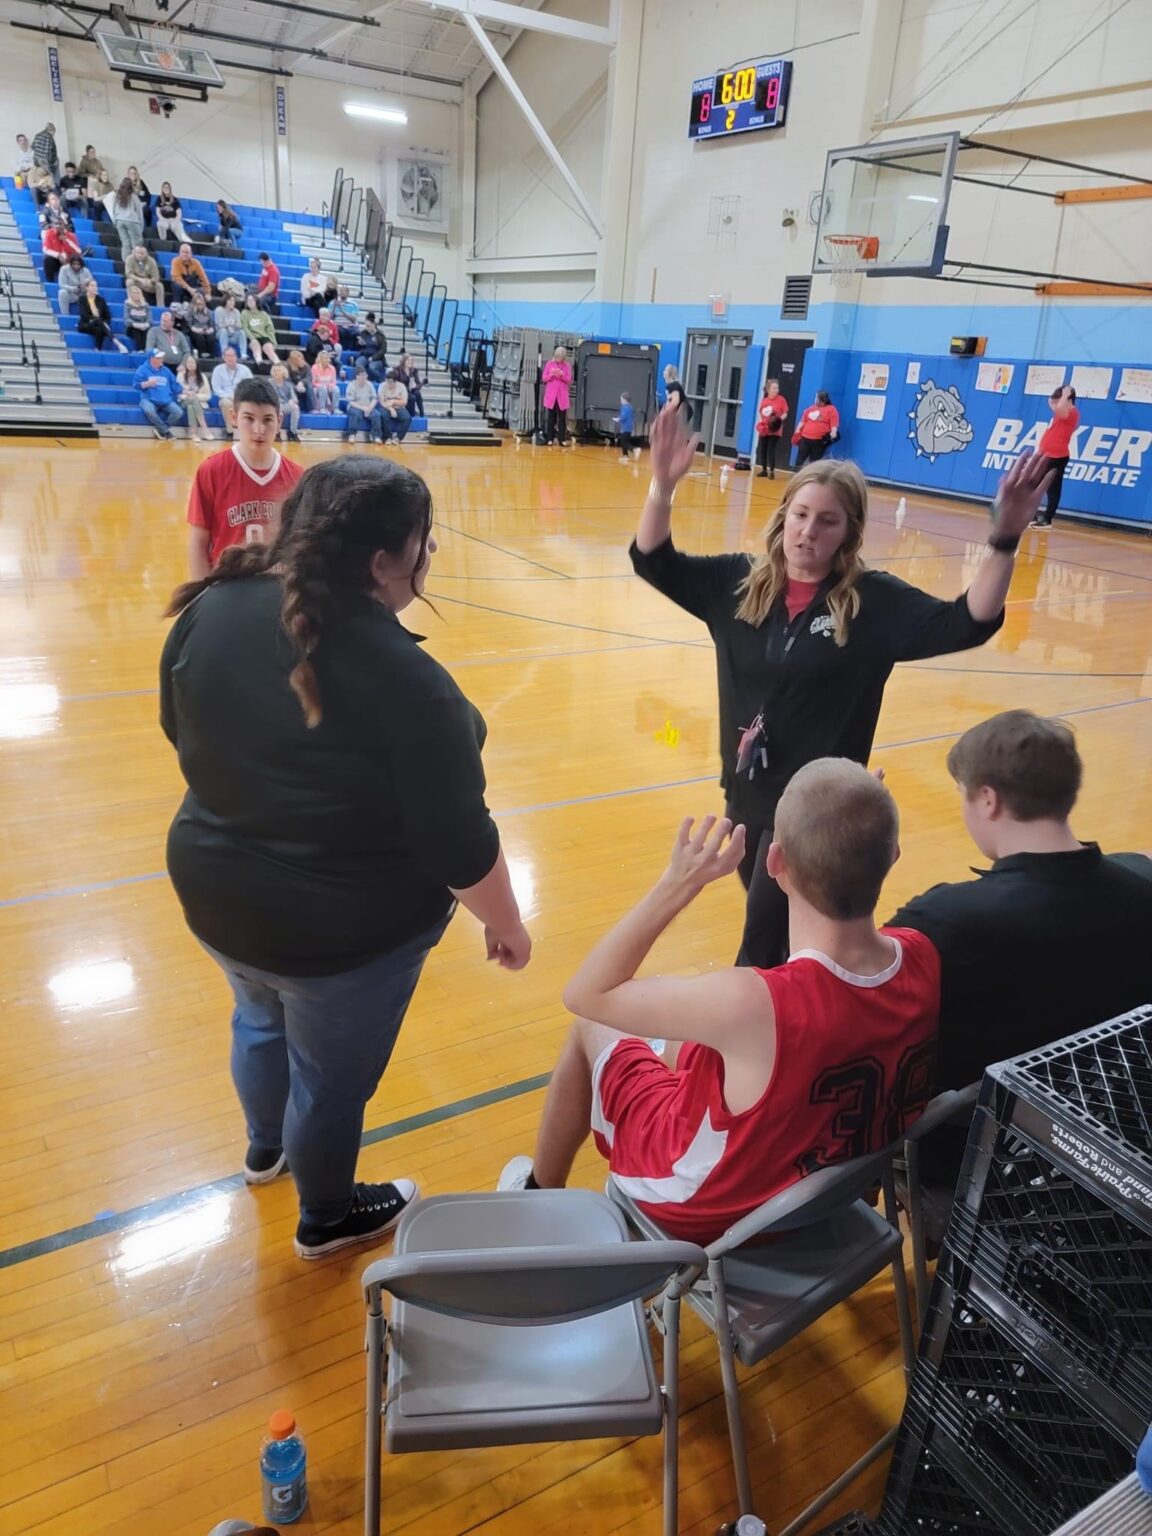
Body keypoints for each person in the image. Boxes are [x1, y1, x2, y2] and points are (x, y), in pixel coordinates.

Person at [161, 455, 530, 1258]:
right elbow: (461, 846)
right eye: (423, 541)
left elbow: (178, 727)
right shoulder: (413, 684)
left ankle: (266, 1150)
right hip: (340, 939)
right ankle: (326, 1216)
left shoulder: (212, 605)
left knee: (257, 1017)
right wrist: (508, 925)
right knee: (330, 1083)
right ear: (383, 562)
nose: (430, 554)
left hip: (216, 897)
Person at [630, 402, 1054, 969]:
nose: (808, 532)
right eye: (801, 514)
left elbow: (969, 620)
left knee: (760, 947)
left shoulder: (872, 604)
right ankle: (821, 988)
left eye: (827, 521)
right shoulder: (737, 584)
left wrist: (1004, 540)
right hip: (748, 796)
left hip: (820, 814)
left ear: (849, 532)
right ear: (784, 515)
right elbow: (653, 560)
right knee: (789, 930)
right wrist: (662, 486)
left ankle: (761, 1016)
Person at [498, 764, 938, 1244]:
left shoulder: (752, 1004)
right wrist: (858, 823)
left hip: (710, 1210)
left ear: (775, 862)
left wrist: (679, 882)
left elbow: (585, 995)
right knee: (684, 1046)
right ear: (893, 856)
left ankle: (538, 1195)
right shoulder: (922, 954)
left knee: (592, 1027)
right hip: (823, 1192)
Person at [887, 709, 1152, 1202]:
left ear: (988, 799)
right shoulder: (1141, 885)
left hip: (980, 1167)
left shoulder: (942, 922)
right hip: (1113, 1146)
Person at [186, 377, 302, 577]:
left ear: (279, 421)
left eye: (267, 420)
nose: (259, 430)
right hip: (227, 584)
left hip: (276, 586)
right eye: (249, 418)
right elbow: (198, 541)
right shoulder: (211, 471)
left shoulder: (297, 476)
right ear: (234, 417)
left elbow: (301, 545)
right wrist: (201, 591)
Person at [1031, 385, 1080, 529]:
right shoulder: (1061, 413)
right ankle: (1031, 515)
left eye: (1061, 399)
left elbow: (1058, 408)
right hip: (1046, 454)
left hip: (1057, 457)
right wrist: (1057, 397)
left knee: (1052, 490)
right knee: (1034, 485)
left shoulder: (1072, 413)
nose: (1057, 402)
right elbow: (1052, 402)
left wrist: (1065, 394)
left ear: (1068, 400)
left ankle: (1047, 519)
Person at [136, 348, 185, 438]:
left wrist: (184, 391)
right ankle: (166, 431)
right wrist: (147, 383)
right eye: (159, 358)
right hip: (148, 399)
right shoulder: (142, 369)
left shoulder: (166, 371)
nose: (162, 359)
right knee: (149, 410)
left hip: (166, 401)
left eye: (162, 357)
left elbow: (174, 384)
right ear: (152, 359)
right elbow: (136, 385)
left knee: (178, 412)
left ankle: (161, 429)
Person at [211, 347, 254, 438]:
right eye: (228, 356)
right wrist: (229, 396)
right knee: (226, 403)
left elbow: (250, 386)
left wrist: (239, 396)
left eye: (232, 355)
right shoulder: (218, 370)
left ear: (236, 357)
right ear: (224, 358)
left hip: (242, 397)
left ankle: (247, 433)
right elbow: (216, 389)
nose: (230, 358)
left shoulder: (245, 369)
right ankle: (229, 431)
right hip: (225, 398)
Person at [77, 279, 128, 353]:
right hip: (85, 324)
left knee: (100, 329)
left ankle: (97, 349)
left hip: (99, 325)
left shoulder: (101, 300)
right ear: (87, 287)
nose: (95, 288)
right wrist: (98, 321)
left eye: (96, 286)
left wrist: (104, 323)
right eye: (92, 286)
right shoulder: (82, 299)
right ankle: (117, 343)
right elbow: (84, 316)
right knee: (99, 321)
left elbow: (108, 316)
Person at [793, 391, 840, 467]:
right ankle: (797, 471)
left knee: (814, 461)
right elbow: (802, 421)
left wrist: (833, 433)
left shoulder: (831, 409)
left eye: (816, 397)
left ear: (822, 399)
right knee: (800, 458)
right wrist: (797, 431)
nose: (815, 399)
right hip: (805, 438)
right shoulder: (810, 408)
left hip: (819, 440)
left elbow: (834, 425)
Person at [755, 378, 789, 479]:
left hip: (775, 429)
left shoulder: (781, 400)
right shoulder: (764, 401)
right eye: (774, 388)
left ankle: (772, 471)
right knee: (763, 449)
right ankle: (764, 470)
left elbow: (785, 413)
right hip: (765, 428)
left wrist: (779, 419)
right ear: (768, 389)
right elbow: (762, 413)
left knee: (771, 449)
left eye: (777, 388)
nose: (776, 390)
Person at [105, 177, 145, 262]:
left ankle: (126, 263)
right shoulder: (133, 197)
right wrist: (141, 225)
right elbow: (139, 211)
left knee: (125, 244)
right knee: (136, 244)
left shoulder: (116, 196)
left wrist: (115, 221)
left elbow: (113, 209)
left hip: (119, 221)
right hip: (132, 221)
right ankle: (136, 263)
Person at [176, 354, 213, 443]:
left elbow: (207, 395)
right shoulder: (181, 375)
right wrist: (187, 395)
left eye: (192, 362)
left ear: (197, 364)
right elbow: (177, 392)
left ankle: (194, 434)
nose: (189, 364)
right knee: (192, 400)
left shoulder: (202, 377)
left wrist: (196, 396)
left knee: (191, 406)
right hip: (183, 402)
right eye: (188, 362)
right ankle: (204, 428)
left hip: (198, 403)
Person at [541, 346, 572, 446]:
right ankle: (550, 438)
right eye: (557, 357)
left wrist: (562, 375)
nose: (559, 359)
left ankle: (562, 439)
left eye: (561, 357)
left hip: (562, 395)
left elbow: (569, 380)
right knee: (551, 417)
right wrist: (552, 375)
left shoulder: (567, 366)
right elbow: (544, 378)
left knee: (562, 418)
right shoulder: (549, 364)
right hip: (551, 395)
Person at [344, 365, 383, 443]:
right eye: (362, 375)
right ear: (357, 376)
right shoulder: (351, 385)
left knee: (376, 415)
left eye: (365, 375)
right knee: (356, 414)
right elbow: (351, 402)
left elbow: (374, 398)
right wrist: (363, 408)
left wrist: (370, 408)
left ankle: (376, 436)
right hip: (356, 406)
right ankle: (352, 434)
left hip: (367, 406)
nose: (364, 377)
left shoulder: (369, 384)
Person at [241, 294, 280, 366]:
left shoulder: (263, 314)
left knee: (268, 348)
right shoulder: (245, 313)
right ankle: (260, 363)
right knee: (256, 346)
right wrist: (252, 338)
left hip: (264, 337)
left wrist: (273, 340)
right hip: (252, 337)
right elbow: (244, 327)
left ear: (256, 301)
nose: (250, 302)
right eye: (248, 301)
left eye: (252, 300)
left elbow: (270, 328)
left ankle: (278, 364)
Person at [41, 216, 83, 283]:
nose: (58, 226)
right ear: (53, 225)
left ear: (64, 225)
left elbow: (79, 252)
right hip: (56, 261)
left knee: (78, 261)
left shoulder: (71, 236)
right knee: (48, 259)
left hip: (68, 262)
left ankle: (78, 282)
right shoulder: (49, 233)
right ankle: (50, 281)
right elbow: (45, 249)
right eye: (56, 224)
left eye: (60, 224)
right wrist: (58, 255)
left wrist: (67, 240)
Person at [269, 362, 301, 443]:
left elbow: (295, 398)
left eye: (278, 370)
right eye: (274, 370)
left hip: (285, 404)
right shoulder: (269, 383)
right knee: (279, 412)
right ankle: (276, 433)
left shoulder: (288, 385)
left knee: (295, 408)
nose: (276, 372)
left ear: (283, 373)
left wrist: (292, 401)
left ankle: (292, 432)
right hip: (274, 404)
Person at [379, 371, 411, 443]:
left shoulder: (401, 386)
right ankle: (387, 437)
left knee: (407, 418)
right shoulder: (382, 386)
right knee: (383, 415)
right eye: (387, 381)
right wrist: (391, 409)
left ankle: (398, 438)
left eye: (390, 382)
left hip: (399, 407)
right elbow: (382, 402)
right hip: (386, 407)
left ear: (395, 382)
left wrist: (393, 401)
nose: (388, 383)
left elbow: (404, 402)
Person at [77, 144, 110, 213]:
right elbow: (80, 173)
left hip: (98, 179)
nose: (93, 153)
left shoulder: (97, 161)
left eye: (94, 152)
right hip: (88, 181)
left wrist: (102, 174)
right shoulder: (84, 161)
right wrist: (91, 175)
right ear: (87, 152)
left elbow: (102, 170)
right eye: (91, 152)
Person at [185, 292, 218, 359]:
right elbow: (189, 325)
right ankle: (201, 355)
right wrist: (198, 330)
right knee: (200, 338)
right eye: (198, 304)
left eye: (201, 304)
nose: (200, 306)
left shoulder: (208, 311)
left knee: (211, 338)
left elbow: (212, 325)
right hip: (195, 331)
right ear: (194, 303)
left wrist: (210, 330)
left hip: (206, 330)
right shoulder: (190, 311)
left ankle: (210, 356)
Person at [122, 283, 153, 351]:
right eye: (133, 293)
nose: (135, 294)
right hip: (132, 327)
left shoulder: (146, 305)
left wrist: (145, 325)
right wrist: (137, 325)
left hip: (145, 326)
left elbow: (150, 319)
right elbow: (126, 320)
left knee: (147, 331)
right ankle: (140, 350)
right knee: (136, 331)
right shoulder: (127, 304)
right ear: (130, 294)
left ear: (140, 294)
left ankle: (147, 350)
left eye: (137, 293)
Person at [356, 316, 386, 382]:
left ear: (373, 324)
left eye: (368, 326)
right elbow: (357, 347)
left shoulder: (380, 335)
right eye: (366, 326)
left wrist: (373, 358)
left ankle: (381, 380)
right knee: (358, 363)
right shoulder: (363, 333)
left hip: (377, 358)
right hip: (365, 356)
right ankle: (363, 379)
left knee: (372, 367)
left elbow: (383, 350)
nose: (367, 328)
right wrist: (359, 343)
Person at [31, 122, 60, 188]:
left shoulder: (37, 135)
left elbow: (32, 147)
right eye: (54, 132)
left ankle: (42, 187)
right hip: (46, 162)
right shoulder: (50, 138)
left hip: (37, 162)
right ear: (51, 130)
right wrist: (53, 164)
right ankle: (55, 187)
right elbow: (50, 153)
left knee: (39, 178)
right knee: (52, 179)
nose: (53, 134)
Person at [286, 348, 315, 413]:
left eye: (302, 359)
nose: (302, 361)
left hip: (303, 387)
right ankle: (293, 407)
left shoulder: (306, 366)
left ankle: (312, 408)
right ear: (294, 361)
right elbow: (287, 381)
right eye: (299, 360)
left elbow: (309, 378)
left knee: (310, 386)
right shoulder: (288, 367)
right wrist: (295, 387)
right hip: (293, 387)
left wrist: (302, 382)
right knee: (289, 386)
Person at [310, 350, 339, 414]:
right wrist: (321, 386)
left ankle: (335, 408)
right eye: (325, 358)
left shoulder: (332, 368)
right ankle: (322, 408)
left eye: (327, 358)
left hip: (329, 387)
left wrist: (329, 386)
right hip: (317, 388)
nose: (327, 360)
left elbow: (334, 381)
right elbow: (313, 382)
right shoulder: (314, 367)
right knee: (323, 388)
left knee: (336, 389)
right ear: (320, 359)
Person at [614, 391, 637, 463]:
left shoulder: (624, 407)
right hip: (629, 428)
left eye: (621, 399)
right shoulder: (630, 407)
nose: (620, 401)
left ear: (624, 400)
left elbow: (623, 417)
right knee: (624, 441)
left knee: (624, 442)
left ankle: (634, 450)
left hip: (625, 428)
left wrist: (618, 419)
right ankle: (625, 456)